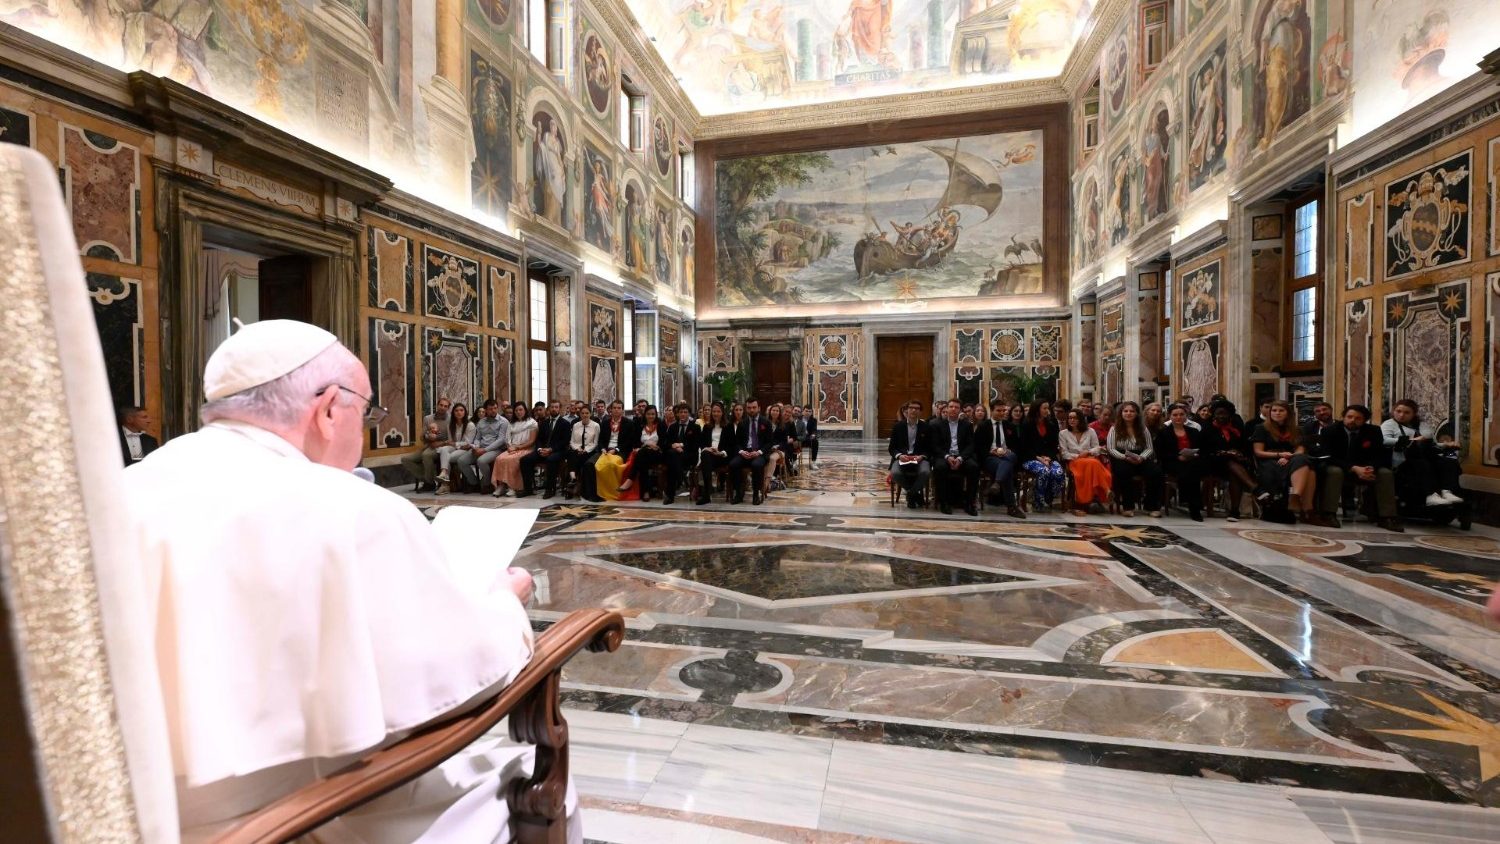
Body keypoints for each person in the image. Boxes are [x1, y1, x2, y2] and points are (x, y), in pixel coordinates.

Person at [120, 320, 563, 842]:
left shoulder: (124, 488)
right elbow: (456, 681)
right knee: (543, 789)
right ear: (329, 408)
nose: (367, 425)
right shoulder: (352, 507)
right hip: (296, 815)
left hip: (135, 814)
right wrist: (504, 606)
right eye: (367, 409)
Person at [1321, 404, 1401, 532]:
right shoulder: (1330, 431)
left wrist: (1370, 468)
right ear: (1343, 417)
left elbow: (1380, 455)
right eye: (1349, 417)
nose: (1352, 420)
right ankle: (1329, 514)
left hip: (1366, 468)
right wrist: (1353, 468)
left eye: (1358, 418)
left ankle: (1387, 517)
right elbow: (1328, 456)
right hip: (1340, 467)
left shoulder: (1373, 431)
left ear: (1364, 420)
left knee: (1385, 473)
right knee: (1334, 472)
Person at [1250, 400, 1323, 525]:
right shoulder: (1261, 428)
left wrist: (1288, 457)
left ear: (1288, 413)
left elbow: (1300, 450)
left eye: (1281, 410)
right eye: (1274, 410)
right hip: (1270, 460)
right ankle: (1307, 511)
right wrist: (1279, 454)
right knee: (1308, 468)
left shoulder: (1297, 430)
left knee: (1304, 461)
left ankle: (1297, 497)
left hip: (1291, 459)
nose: (1277, 413)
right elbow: (1258, 452)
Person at [1382, 399, 1464, 510]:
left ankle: (1447, 491)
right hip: (1403, 462)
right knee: (1422, 463)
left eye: (1407, 412)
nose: (1401, 415)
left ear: (1413, 414)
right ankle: (1431, 495)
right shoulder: (1389, 424)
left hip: (1424, 456)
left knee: (1448, 462)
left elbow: (1432, 444)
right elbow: (1385, 440)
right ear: (1393, 411)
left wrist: (1446, 445)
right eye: (1398, 411)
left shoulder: (1421, 425)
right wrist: (1412, 440)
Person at [1198, 400, 1259, 521]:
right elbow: (1203, 449)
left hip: (1233, 464)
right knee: (1231, 464)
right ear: (1214, 414)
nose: (1221, 416)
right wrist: (1224, 453)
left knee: (1234, 473)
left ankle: (1234, 511)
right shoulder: (1207, 428)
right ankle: (1255, 487)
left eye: (1224, 414)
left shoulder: (1236, 429)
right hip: (1212, 463)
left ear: (1230, 415)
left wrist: (1238, 453)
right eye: (1218, 413)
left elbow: (1244, 447)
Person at [1107, 401, 1163, 517]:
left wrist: (1142, 457)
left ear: (1137, 413)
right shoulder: (1114, 429)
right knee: (1124, 472)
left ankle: (1151, 506)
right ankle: (1128, 506)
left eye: (1132, 411)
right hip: (1121, 456)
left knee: (1156, 472)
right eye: (1126, 411)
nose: (1129, 413)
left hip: (1140, 456)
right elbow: (1111, 449)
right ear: (1121, 413)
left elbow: (1149, 448)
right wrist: (1124, 457)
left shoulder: (1143, 428)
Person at [928, 399, 979, 516]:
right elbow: (935, 446)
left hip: (961, 456)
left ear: (960, 410)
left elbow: (970, 445)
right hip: (944, 455)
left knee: (974, 467)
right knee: (940, 467)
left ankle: (970, 503)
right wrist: (947, 457)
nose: (953, 409)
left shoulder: (966, 425)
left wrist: (960, 458)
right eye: (951, 407)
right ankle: (944, 502)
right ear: (946, 409)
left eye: (956, 407)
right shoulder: (937, 425)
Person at [1154, 404, 1204, 521]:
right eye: (1175, 415)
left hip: (1192, 461)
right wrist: (1178, 457)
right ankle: (1194, 507)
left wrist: (1194, 454)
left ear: (1186, 416)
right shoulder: (1163, 432)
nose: (1178, 417)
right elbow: (1160, 452)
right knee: (1188, 471)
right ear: (1170, 416)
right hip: (1171, 462)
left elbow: (1201, 448)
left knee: (1193, 469)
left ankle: (1192, 505)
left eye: (1181, 414)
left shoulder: (1193, 431)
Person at [975, 400, 1022, 517]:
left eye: (1003, 410)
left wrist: (1008, 450)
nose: (1002, 413)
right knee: (1008, 468)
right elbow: (977, 447)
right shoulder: (983, 426)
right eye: (998, 410)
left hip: (1007, 455)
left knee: (1010, 457)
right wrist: (991, 451)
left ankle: (997, 483)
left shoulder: (1009, 426)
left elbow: (1017, 446)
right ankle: (1011, 507)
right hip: (990, 458)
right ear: (992, 410)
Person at [1060, 408, 1111, 516]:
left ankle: (1087, 501)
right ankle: (1106, 490)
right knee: (1093, 463)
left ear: (1080, 419)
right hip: (1074, 462)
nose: (1072, 420)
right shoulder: (1063, 433)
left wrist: (1087, 452)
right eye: (1070, 418)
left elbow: (1097, 448)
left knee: (1091, 464)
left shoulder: (1090, 431)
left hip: (1089, 459)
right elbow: (1064, 453)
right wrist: (1079, 455)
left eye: (1075, 418)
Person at [518, 401, 571, 498]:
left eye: (556, 407)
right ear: (548, 409)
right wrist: (539, 449)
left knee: (551, 460)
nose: (554, 409)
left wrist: (550, 449)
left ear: (559, 409)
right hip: (542, 451)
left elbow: (564, 441)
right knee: (525, 460)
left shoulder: (565, 423)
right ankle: (528, 489)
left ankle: (549, 489)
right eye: (552, 407)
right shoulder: (544, 423)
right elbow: (539, 439)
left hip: (558, 451)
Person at [454, 399, 507, 494]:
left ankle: (487, 484)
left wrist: (484, 450)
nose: (493, 411)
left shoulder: (503, 422)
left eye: (495, 408)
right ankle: (474, 483)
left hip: (495, 449)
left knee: (481, 461)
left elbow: (501, 440)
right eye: (490, 409)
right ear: (486, 410)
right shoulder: (481, 422)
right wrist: (476, 446)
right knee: (461, 461)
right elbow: (477, 437)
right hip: (480, 447)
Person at [1021, 400, 1066, 511]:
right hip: (1030, 457)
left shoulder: (1052, 422)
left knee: (1058, 472)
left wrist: (1048, 457)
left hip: (1048, 457)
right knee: (1044, 471)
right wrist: (1039, 458)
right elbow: (1024, 446)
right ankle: (1038, 501)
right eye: (1044, 408)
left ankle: (1047, 497)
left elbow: (1054, 444)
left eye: (1048, 408)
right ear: (1037, 410)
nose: (1048, 411)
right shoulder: (1027, 423)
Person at [889, 400, 933, 510]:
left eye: (917, 408)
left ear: (920, 412)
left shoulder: (926, 427)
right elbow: (892, 448)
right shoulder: (898, 426)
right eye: (911, 408)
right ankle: (915, 495)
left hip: (919, 458)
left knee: (925, 472)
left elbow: (930, 448)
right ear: (906, 410)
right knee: (895, 473)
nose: (914, 410)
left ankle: (911, 494)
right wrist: (899, 456)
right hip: (902, 458)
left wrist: (922, 456)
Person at [400, 396, 451, 491]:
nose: (442, 407)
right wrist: (428, 437)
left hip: (443, 447)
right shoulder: (428, 418)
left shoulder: (450, 419)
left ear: (448, 408)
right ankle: (429, 480)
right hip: (429, 445)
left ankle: (428, 483)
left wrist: (441, 442)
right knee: (405, 459)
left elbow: (452, 439)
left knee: (426, 455)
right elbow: (422, 436)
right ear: (437, 405)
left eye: (445, 406)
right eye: (441, 405)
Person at [595, 400, 640, 502]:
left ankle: (613, 491)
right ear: (611, 410)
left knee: (611, 464)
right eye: (614, 408)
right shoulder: (606, 423)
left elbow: (629, 442)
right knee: (595, 465)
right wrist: (602, 448)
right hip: (606, 450)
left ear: (622, 410)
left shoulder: (629, 423)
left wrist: (616, 449)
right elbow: (601, 440)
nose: (616, 410)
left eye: (619, 408)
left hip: (621, 451)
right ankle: (600, 492)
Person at [730, 397, 772, 505]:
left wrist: (759, 452)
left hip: (759, 453)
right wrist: (741, 452)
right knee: (733, 464)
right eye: (749, 408)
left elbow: (769, 443)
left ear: (759, 408)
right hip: (745, 452)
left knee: (756, 465)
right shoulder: (742, 423)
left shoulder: (766, 422)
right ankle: (739, 493)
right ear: (746, 408)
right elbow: (737, 443)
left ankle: (756, 494)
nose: (751, 410)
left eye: (754, 407)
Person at [491, 401, 538, 497]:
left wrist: (517, 447)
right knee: (499, 458)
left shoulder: (532, 422)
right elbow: (507, 438)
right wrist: (509, 446)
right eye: (516, 410)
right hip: (513, 448)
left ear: (525, 410)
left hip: (526, 448)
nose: (518, 412)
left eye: (521, 410)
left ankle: (513, 487)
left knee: (511, 460)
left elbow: (532, 441)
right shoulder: (512, 423)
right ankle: (501, 485)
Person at [663, 403, 700, 505]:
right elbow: (666, 443)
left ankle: (671, 493)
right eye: (681, 412)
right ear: (677, 414)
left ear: (689, 414)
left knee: (672, 460)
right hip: (675, 455)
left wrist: (681, 446)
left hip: (689, 455)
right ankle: (681, 480)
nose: (683, 414)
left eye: (685, 412)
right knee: (672, 455)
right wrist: (673, 445)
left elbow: (695, 445)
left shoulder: (695, 427)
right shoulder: (672, 427)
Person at [434, 402, 475, 492]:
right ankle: (444, 473)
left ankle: (445, 485)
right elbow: (450, 441)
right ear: (453, 413)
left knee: (447, 457)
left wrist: (455, 444)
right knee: (444, 449)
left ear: (465, 412)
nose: (459, 412)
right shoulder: (450, 425)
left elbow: (468, 443)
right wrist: (454, 444)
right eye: (456, 410)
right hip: (455, 447)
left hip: (466, 450)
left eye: (461, 410)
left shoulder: (470, 425)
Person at [627, 405, 665, 500]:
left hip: (657, 453)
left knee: (641, 455)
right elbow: (635, 442)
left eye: (653, 414)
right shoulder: (640, 425)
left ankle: (632, 479)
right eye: (648, 414)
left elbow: (665, 442)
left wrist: (656, 446)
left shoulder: (661, 425)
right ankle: (646, 492)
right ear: (645, 415)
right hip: (643, 453)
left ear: (656, 415)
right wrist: (644, 446)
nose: (651, 416)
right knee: (643, 459)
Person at [697, 402, 731, 505]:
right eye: (714, 411)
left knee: (705, 460)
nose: (716, 414)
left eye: (718, 411)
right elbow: (701, 443)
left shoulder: (728, 427)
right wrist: (707, 448)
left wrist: (721, 452)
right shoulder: (707, 427)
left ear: (722, 413)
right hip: (710, 455)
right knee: (705, 455)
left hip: (722, 456)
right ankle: (707, 492)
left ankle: (706, 492)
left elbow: (731, 446)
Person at [566, 404, 602, 501]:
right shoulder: (575, 425)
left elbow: (596, 443)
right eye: (583, 413)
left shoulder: (596, 425)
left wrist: (586, 450)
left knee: (582, 459)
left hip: (590, 450)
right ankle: (573, 478)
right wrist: (578, 449)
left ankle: (575, 486)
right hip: (577, 449)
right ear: (580, 414)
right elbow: (572, 441)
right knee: (571, 454)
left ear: (591, 414)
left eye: (587, 413)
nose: (585, 415)